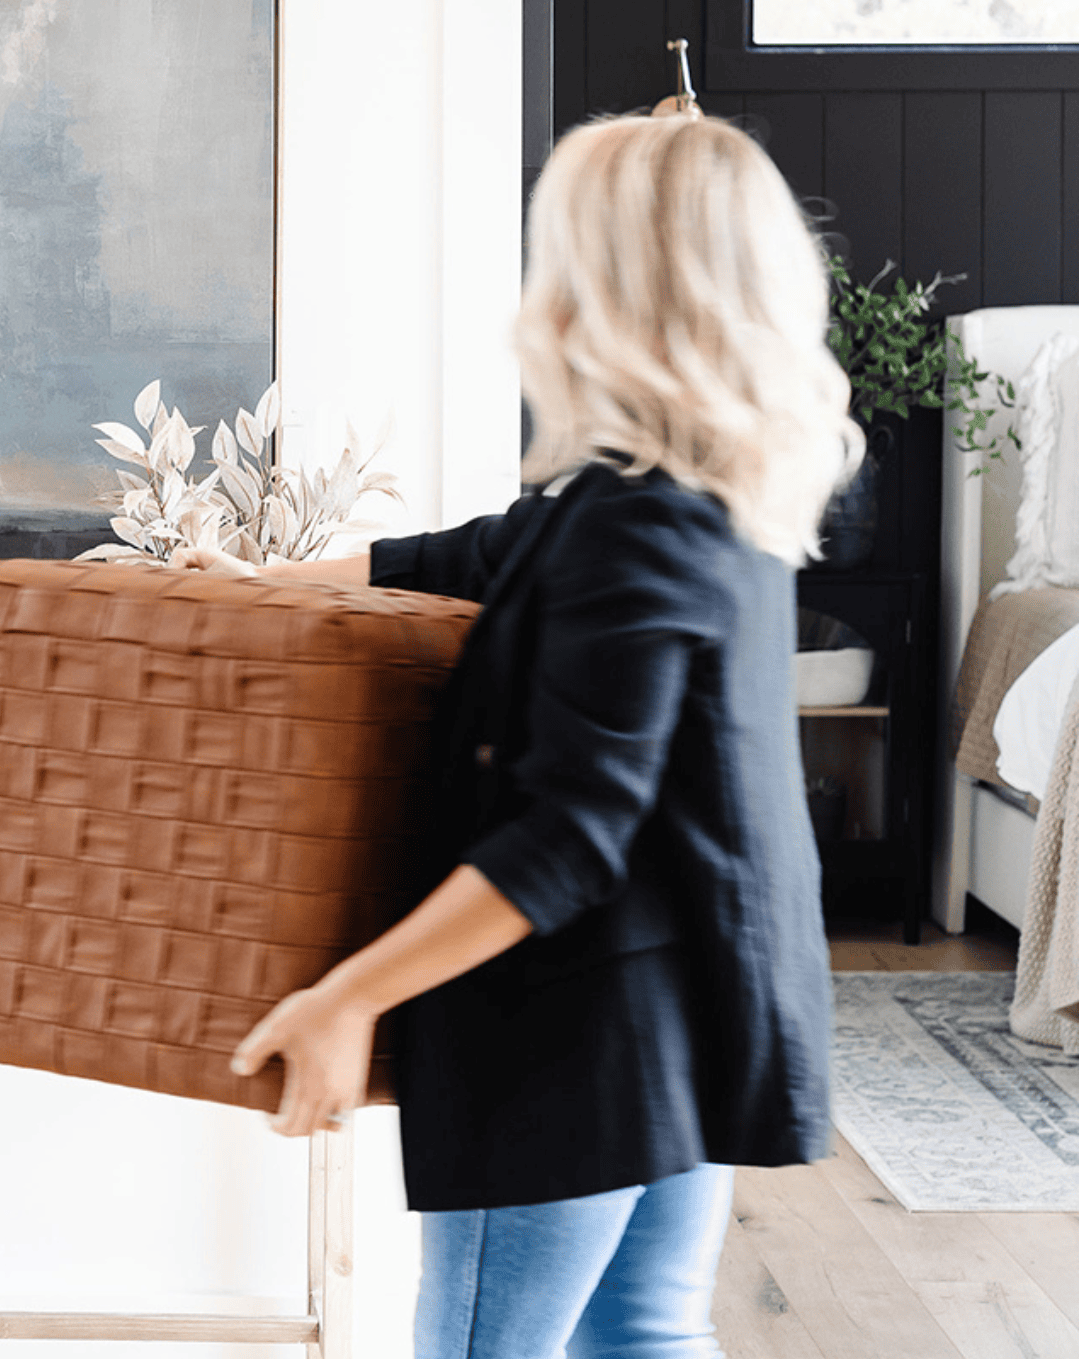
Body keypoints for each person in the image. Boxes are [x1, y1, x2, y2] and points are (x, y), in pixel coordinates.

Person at [177, 113, 858, 1357]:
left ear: (598, 291)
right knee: (643, 1334)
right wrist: (266, 587)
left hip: (576, 1042)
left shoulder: (631, 530)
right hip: (689, 1018)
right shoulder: (689, 503)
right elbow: (462, 557)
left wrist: (346, 997)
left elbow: (568, 837)